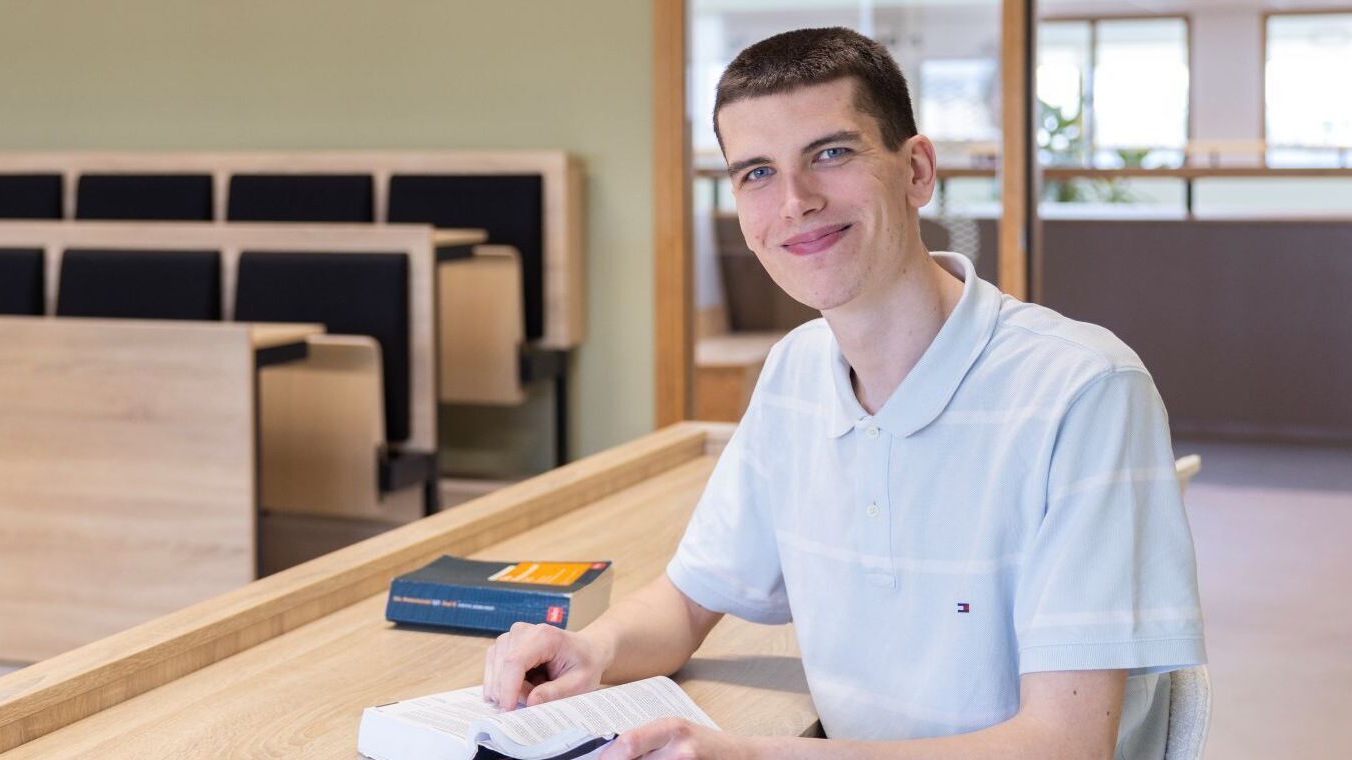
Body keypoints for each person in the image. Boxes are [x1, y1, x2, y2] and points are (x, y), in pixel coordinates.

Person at [482, 27, 1205, 759]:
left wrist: (745, 754)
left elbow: (1065, 747)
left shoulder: (1085, 389)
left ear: (916, 170)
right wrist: (592, 648)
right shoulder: (795, 370)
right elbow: (690, 597)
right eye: (756, 172)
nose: (793, 201)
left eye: (830, 153)